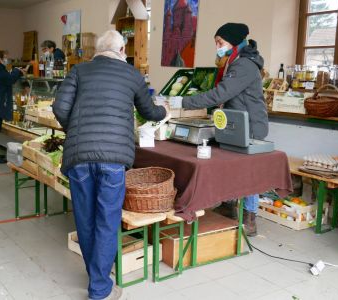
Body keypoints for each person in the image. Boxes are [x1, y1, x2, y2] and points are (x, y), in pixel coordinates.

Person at [53, 30, 167, 300]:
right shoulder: (132, 74)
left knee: (85, 218)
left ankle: (99, 281)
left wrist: (78, 132)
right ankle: (100, 287)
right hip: (114, 161)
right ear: (122, 49)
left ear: (98, 50)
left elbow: (60, 107)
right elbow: (149, 111)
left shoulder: (79, 71)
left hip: (79, 158)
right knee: (106, 220)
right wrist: (166, 111)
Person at [181, 23, 268, 236]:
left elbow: (221, 94)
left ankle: (250, 218)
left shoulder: (244, 65)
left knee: (250, 173)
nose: (217, 47)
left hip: (251, 126)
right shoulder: (235, 61)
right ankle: (229, 205)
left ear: (234, 41)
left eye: (220, 42)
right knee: (231, 166)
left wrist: (183, 101)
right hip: (236, 123)